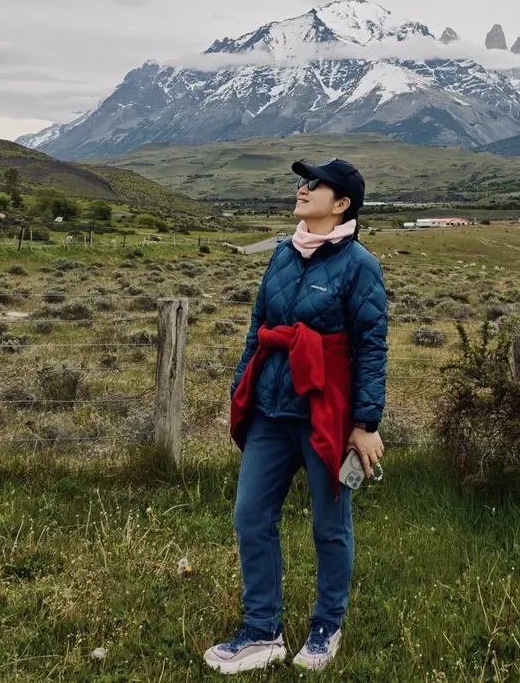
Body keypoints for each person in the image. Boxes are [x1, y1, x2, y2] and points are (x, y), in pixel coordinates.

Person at [204, 157, 388, 674]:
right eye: (303, 182)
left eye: (315, 184)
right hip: (270, 409)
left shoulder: (360, 265)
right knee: (251, 516)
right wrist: (244, 387)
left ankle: (327, 624)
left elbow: (373, 348)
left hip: (326, 413)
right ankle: (262, 630)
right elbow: (258, 327)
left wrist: (366, 423)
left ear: (343, 203)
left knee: (330, 525)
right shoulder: (284, 254)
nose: (303, 190)